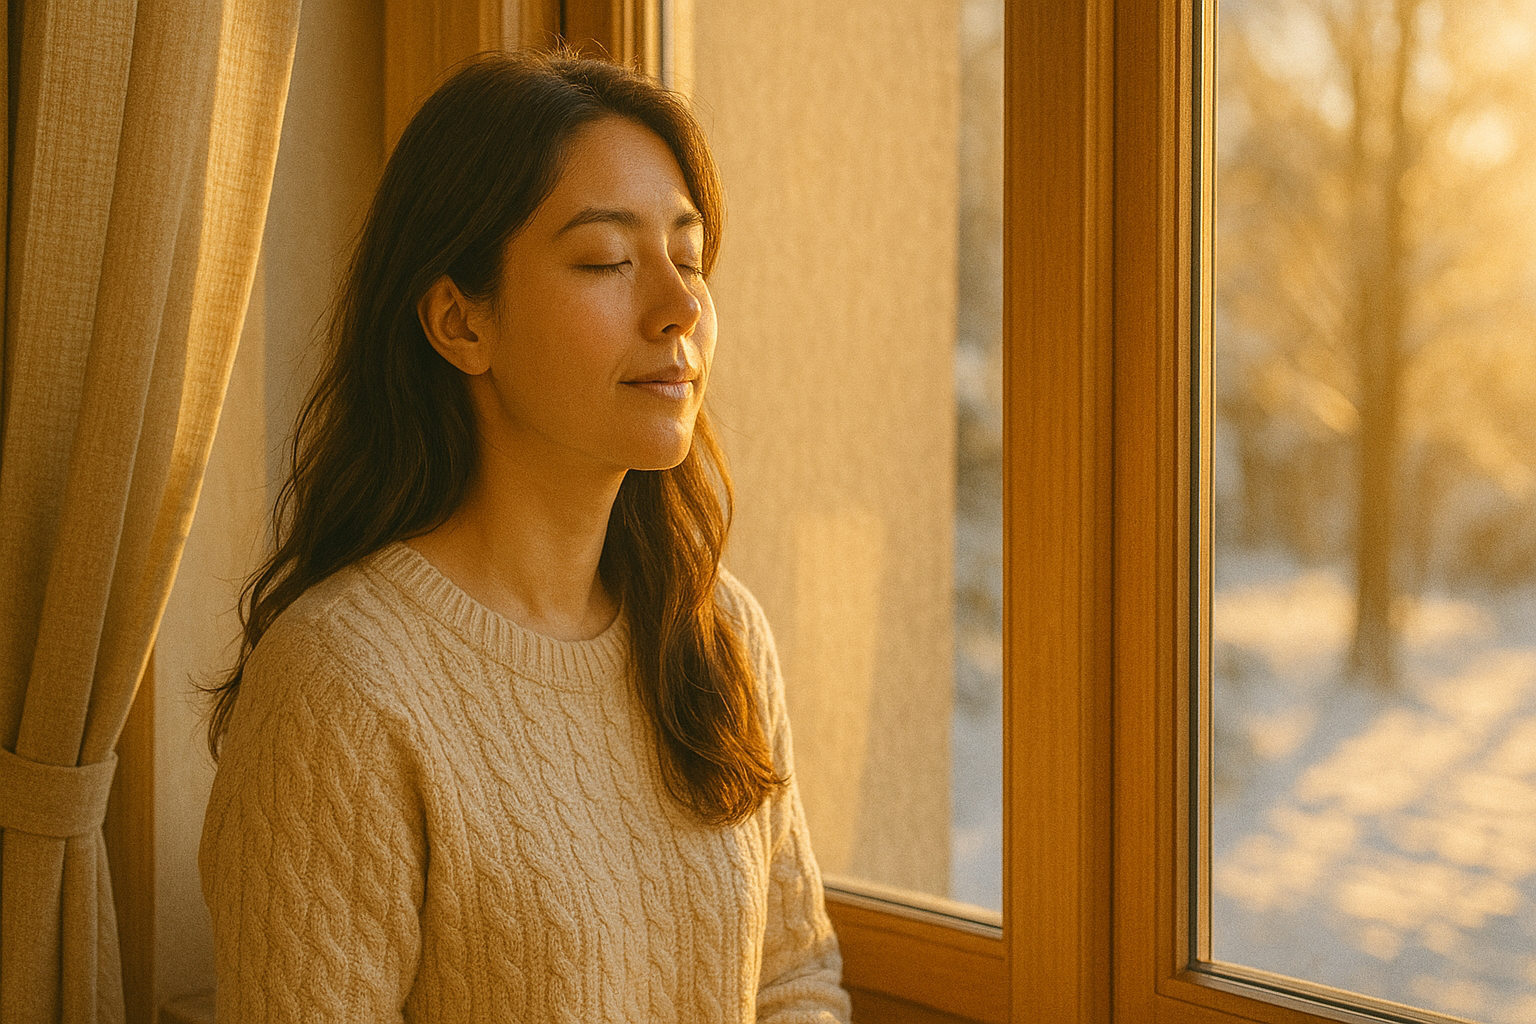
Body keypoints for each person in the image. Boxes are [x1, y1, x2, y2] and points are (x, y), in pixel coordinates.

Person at [199, 49, 851, 1023]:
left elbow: (794, 981)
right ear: (460, 322)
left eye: (691, 256)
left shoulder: (718, 634)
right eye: (607, 262)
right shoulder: (340, 689)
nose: (680, 309)